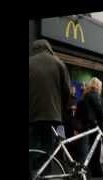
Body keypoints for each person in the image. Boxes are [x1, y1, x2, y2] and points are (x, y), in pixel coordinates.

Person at [29, 39, 71, 175]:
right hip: (52, 115)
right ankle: (46, 175)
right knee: (47, 150)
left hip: (31, 116)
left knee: (31, 148)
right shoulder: (58, 62)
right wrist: (61, 111)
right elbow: (67, 91)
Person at [74, 77, 103, 177]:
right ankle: (95, 172)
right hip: (94, 126)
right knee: (95, 150)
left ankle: (86, 173)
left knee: (85, 151)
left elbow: (78, 113)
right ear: (98, 86)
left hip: (84, 127)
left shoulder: (84, 96)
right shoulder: (95, 95)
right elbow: (100, 110)